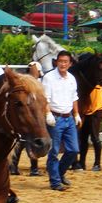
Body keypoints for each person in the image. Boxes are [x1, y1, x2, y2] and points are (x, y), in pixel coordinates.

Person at [42, 50, 81, 191]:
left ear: (70, 64)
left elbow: (74, 97)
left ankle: (59, 173)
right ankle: (55, 182)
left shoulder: (71, 78)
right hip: (55, 117)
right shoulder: (49, 78)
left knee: (73, 150)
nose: (63, 64)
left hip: (68, 117)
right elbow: (45, 98)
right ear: (56, 62)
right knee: (54, 151)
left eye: (65, 62)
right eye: (60, 61)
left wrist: (76, 114)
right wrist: (48, 113)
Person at [9, 61, 43, 176]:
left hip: (32, 118)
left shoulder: (36, 84)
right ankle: (24, 168)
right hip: (28, 118)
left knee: (25, 142)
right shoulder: (26, 85)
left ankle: (27, 168)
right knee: (24, 142)